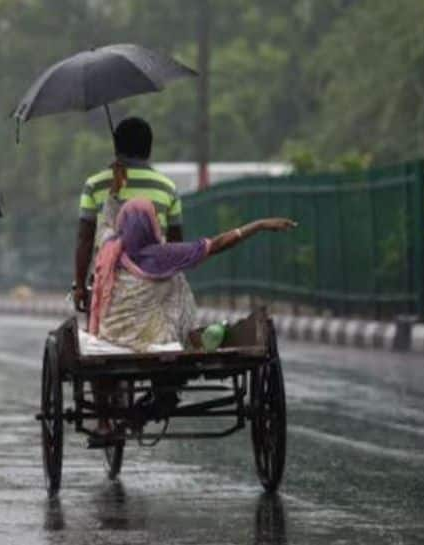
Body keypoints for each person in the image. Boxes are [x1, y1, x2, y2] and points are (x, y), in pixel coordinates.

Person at [87, 199, 295, 433]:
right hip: (155, 341)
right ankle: (159, 401)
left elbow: (103, 224)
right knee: (176, 281)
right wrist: (259, 225)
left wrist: (112, 193)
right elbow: (217, 244)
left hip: (112, 337)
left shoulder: (108, 252)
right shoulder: (164, 255)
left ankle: (105, 420)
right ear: (151, 225)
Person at [74, 117, 183, 313]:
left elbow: (85, 239)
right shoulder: (168, 188)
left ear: (116, 147)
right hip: (155, 287)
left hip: (108, 288)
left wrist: (80, 287)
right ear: (149, 149)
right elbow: (176, 244)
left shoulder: (95, 185)